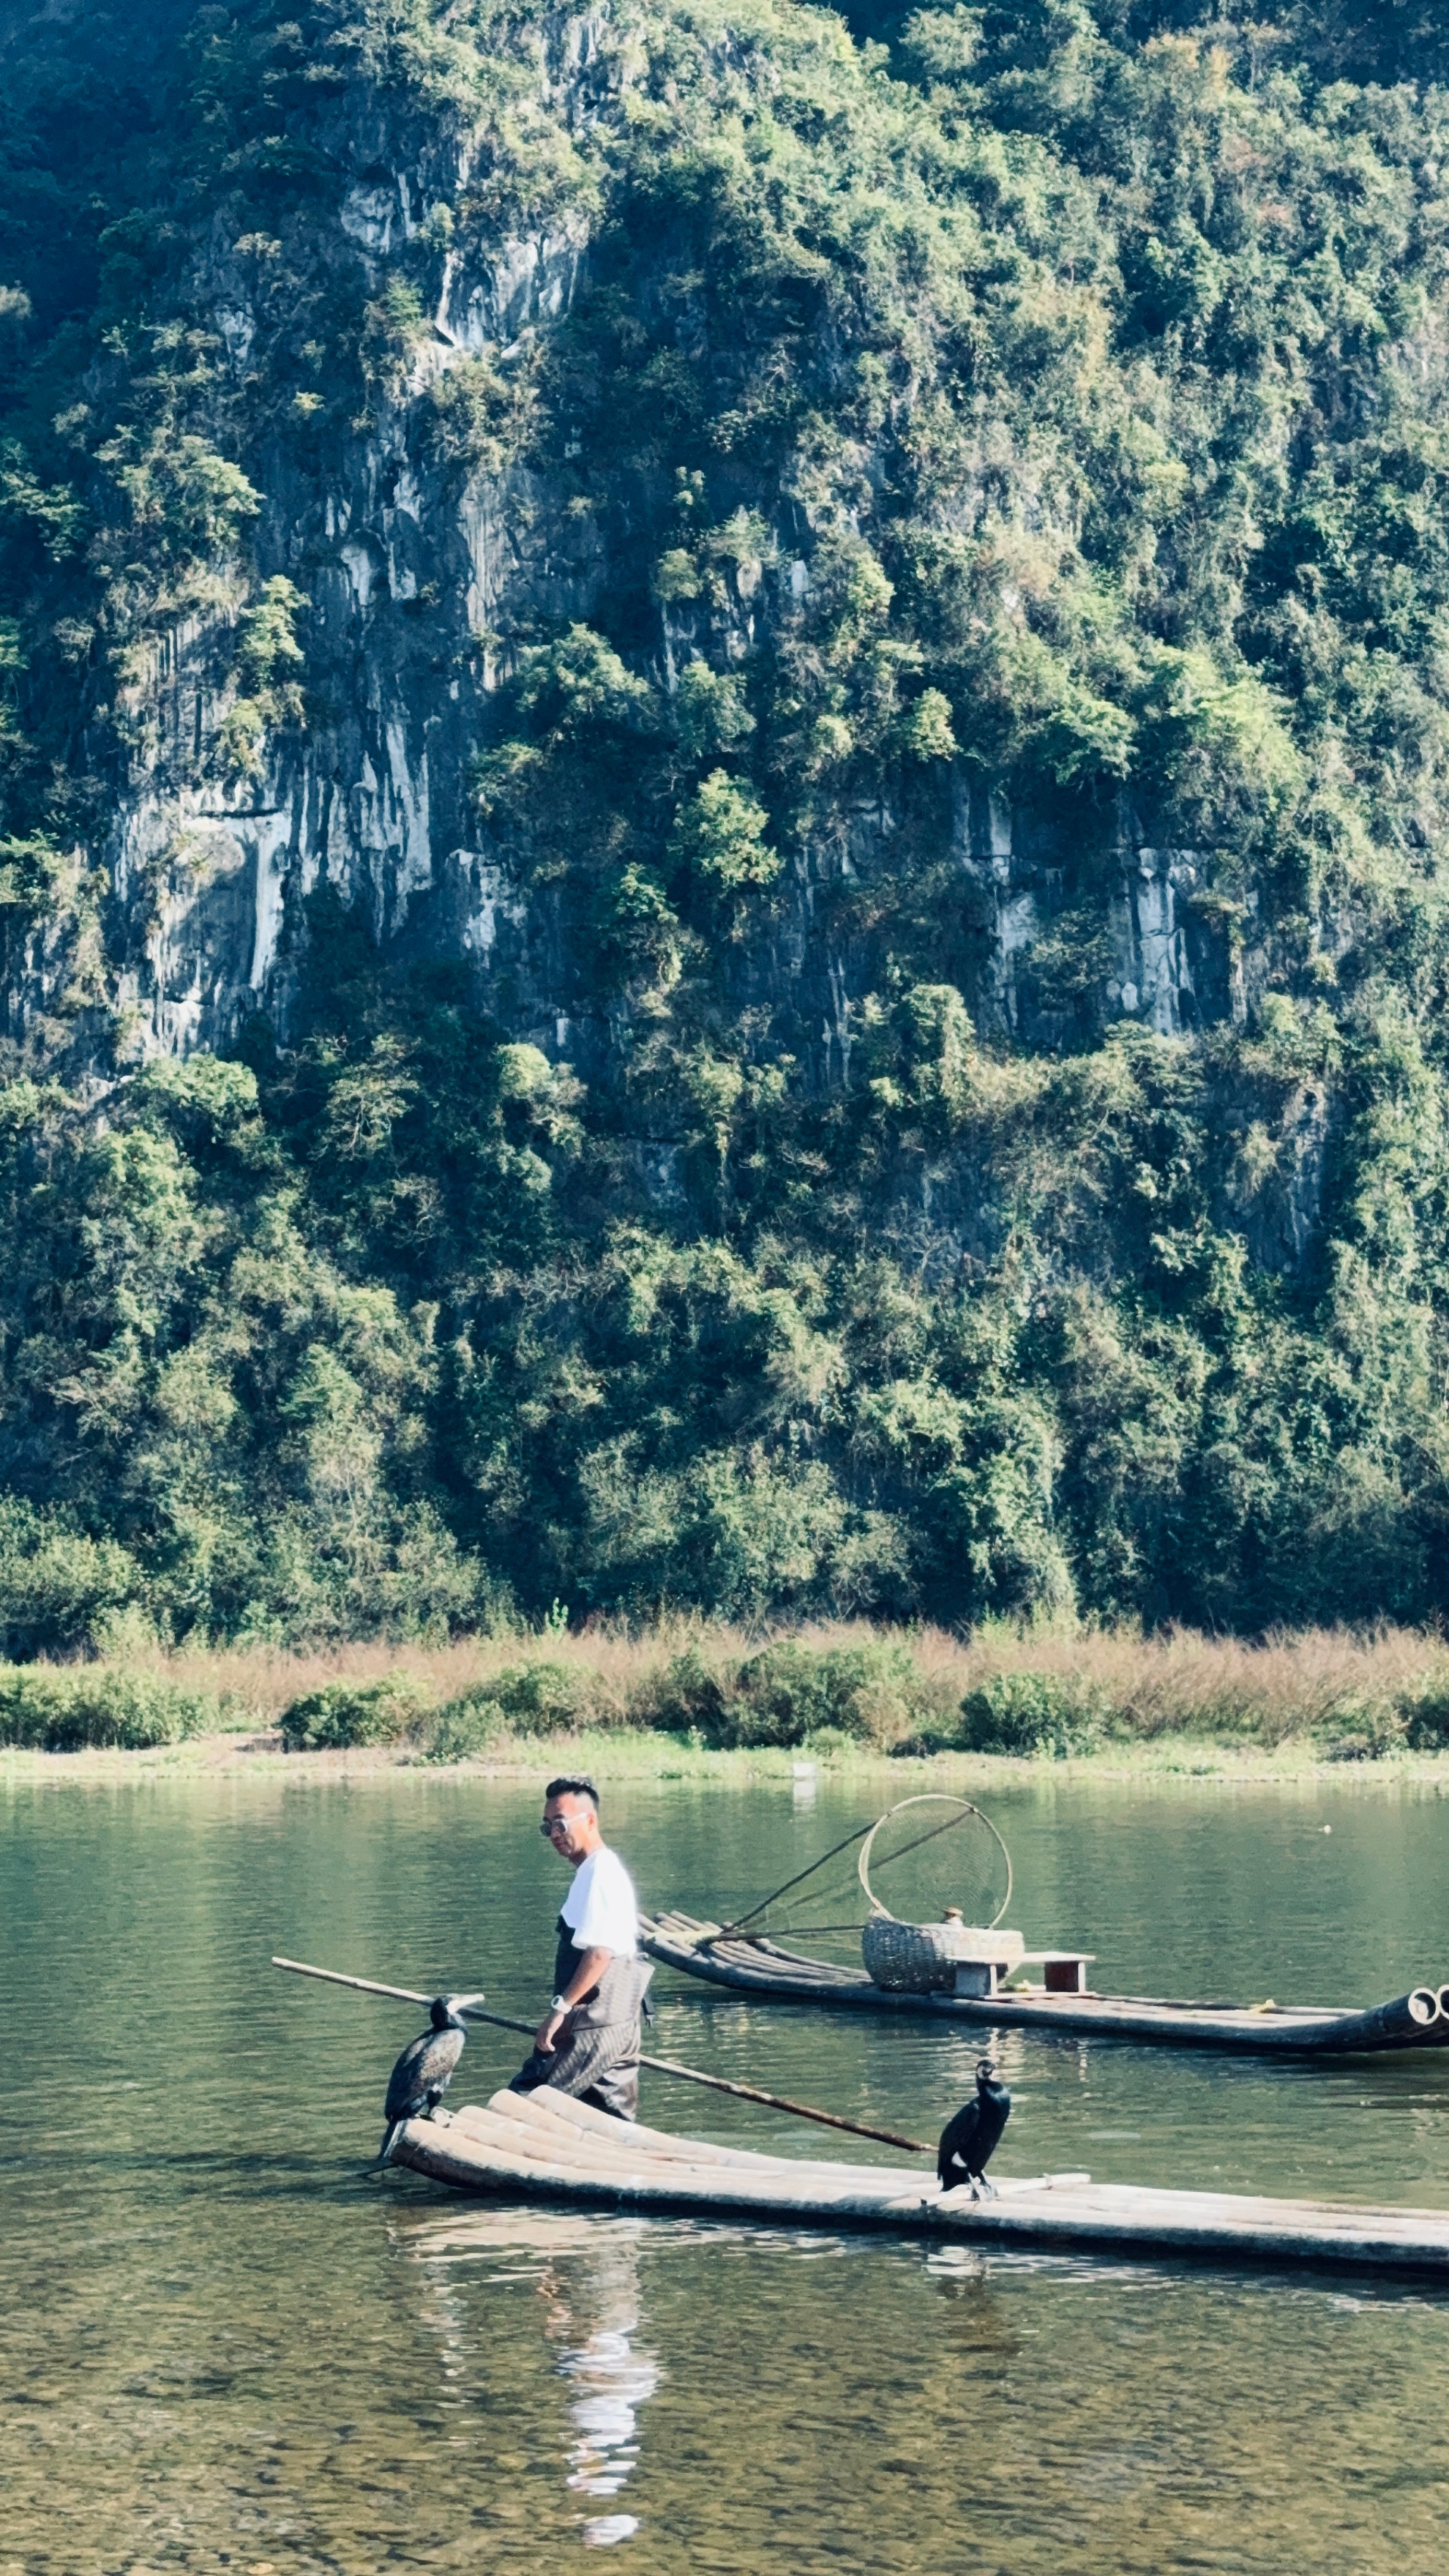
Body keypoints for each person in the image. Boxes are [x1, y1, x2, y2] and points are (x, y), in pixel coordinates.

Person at [509, 1775, 653, 2122]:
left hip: (594, 2022)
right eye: (547, 1828)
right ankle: (624, 2170)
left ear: (590, 1820)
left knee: (524, 2104)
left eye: (560, 1824)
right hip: (618, 2021)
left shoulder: (600, 1871)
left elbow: (601, 1951)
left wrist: (561, 2009)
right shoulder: (596, 1870)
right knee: (607, 2116)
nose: (554, 1835)